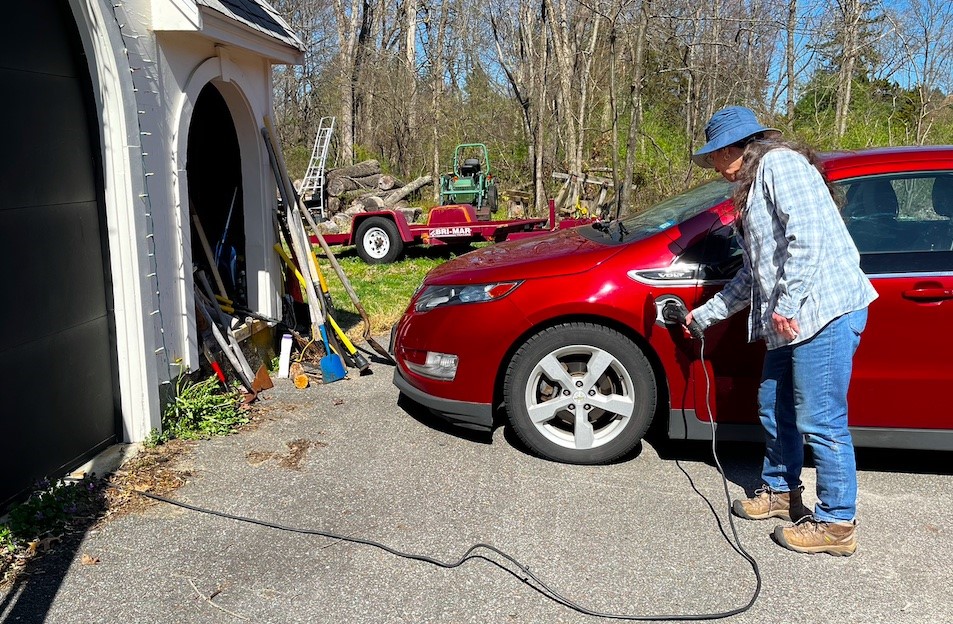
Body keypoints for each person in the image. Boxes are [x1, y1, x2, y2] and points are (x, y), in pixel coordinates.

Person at [685, 106, 878, 556]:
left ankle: (837, 522)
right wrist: (706, 315)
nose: (713, 166)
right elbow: (754, 276)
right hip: (791, 321)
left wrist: (787, 304)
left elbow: (806, 236)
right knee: (773, 404)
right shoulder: (752, 187)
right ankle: (780, 492)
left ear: (733, 149)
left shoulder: (779, 164)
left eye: (713, 156)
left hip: (822, 311)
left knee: (822, 419)